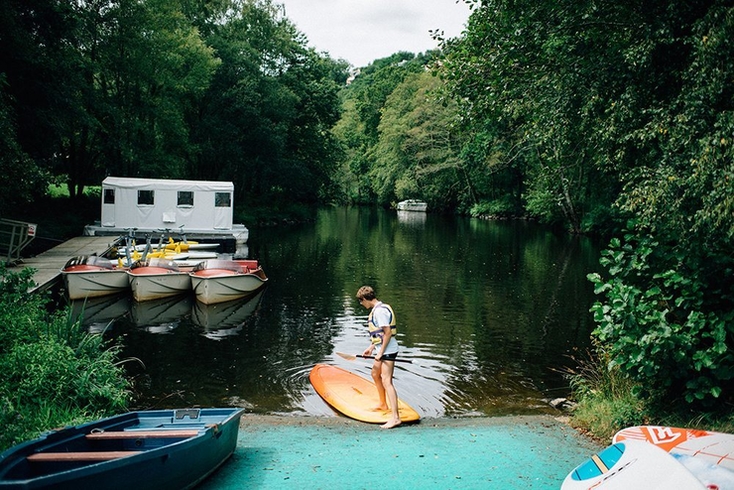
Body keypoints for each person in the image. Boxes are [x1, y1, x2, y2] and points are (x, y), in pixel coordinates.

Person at [356, 285, 401, 429]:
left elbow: (387, 333)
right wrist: (371, 348)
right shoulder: (378, 309)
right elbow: (380, 334)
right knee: (375, 373)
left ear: (364, 299)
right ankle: (383, 404)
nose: (362, 305)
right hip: (382, 348)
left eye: (361, 302)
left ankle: (395, 418)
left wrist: (380, 353)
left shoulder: (380, 312)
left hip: (388, 350)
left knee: (387, 381)